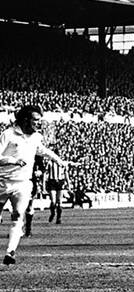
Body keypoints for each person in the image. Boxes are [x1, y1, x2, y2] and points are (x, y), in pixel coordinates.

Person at [1, 105, 77, 265]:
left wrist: (59, 161)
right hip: (2, 182)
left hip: (23, 184)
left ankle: (10, 253)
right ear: (25, 120)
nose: (39, 123)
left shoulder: (36, 137)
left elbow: (42, 150)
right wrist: (13, 160)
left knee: (18, 217)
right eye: (36, 120)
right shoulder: (8, 134)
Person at [45, 154, 68, 224]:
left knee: (59, 201)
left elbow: (66, 173)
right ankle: (52, 213)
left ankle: (59, 218)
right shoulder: (50, 163)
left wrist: (68, 183)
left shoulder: (63, 163)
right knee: (53, 201)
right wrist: (44, 184)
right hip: (52, 182)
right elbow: (45, 173)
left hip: (60, 182)